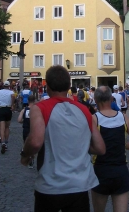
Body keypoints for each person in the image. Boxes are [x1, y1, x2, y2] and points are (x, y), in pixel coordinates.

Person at [20, 65, 106, 212]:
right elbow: (100, 148)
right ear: (69, 85)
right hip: (79, 185)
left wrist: (24, 155)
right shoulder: (84, 110)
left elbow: (35, 142)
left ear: (47, 85)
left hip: (51, 185)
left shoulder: (40, 108)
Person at [91, 86, 129, 212]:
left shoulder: (94, 119)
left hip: (101, 170)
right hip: (121, 170)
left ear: (95, 100)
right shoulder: (123, 117)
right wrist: (120, 145)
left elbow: (85, 145)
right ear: (111, 99)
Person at [0, 80, 15, 154]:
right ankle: (6, 142)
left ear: (3, 85)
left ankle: (2, 143)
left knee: (2, 127)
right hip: (8, 109)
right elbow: (13, 96)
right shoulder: (11, 92)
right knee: (7, 127)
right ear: (9, 86)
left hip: (1, 109)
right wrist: (12, 105)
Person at [18, 94, 36, 168]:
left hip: (26, 129)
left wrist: (24, 121)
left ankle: (28, 158)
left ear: (28, 101)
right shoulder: (36, 109)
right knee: (33, 145)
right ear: (34, 101)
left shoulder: (24, 110)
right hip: (34, 129)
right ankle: (32, 158)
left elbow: (19, 120)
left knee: (26, 143)